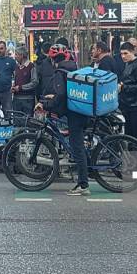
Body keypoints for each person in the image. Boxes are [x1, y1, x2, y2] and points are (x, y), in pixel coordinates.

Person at [40, 46, 90, 196]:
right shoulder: (73, 69)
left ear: (52, 60)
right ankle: (84, 172)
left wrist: (45, 105)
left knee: (77, 148)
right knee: (78, 145)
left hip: (75, 115)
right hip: (81, 111)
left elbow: (61, 95)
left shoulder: (60, 73)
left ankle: (83, 185)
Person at [118, 41, 137, 147]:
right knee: (131, 138)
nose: (123, 56)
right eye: (121, 54)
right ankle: (136, 161)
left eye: (125, 53)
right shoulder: (129, 65)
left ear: (132, 52)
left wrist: (124, 87)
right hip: (130, 106)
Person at [11, 46, 38, 121]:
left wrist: (20, 87)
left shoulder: (31, 66)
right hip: (16, 99)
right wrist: (13, 86)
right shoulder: (16, 67)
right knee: (17, 122)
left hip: (28, 100)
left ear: (22, 55)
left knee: (28, 122)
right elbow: (16, 80)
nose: (15, 56)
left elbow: (35, 82)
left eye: (16, 54)